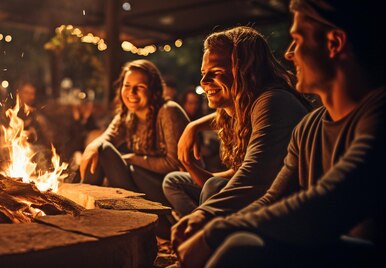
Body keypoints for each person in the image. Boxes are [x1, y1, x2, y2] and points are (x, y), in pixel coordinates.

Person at [177, 1, 385, 267]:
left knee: (240, 246)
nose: (288, 53)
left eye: (297, 39)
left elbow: (330, 201)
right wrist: (213, 221)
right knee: (237, 237)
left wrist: (215, 228)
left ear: (334, 43)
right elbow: (271, 198)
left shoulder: (378, 113)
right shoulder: (309, 127)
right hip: (323, 245)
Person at [163, 26, 311, 245]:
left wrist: (204, 214)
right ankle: (195, 235)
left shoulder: (272, 102)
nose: (204, 82)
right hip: (253, 195)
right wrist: (192, 128)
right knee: (175, 180)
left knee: (213, 188)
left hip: (281, 212)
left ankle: (206, 240)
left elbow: (253, 176)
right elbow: (241, 172)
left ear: (245, 70)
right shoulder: (243, 107)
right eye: (203, 72)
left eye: (216, 72)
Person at [80, 59, 190, 238]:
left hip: (170, 189)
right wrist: (92, 146)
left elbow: (173, 163)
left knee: (107, 152)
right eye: (127, 85)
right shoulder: (127, 115)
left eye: (140, 87)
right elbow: (106, 137)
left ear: (153, 89)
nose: (131, 92)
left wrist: (130, 158)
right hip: (143, 182)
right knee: (100, 149)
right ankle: (81, 203)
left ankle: (80, 213)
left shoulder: (168, 111)